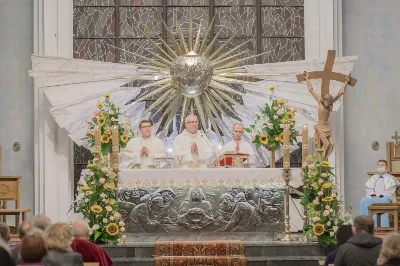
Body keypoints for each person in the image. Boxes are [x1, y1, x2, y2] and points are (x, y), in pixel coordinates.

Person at [359, 160, 399, 227]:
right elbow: (369, 189)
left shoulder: (391, 178)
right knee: (364, 200)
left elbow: (391, 191)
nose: (380, 166)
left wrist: (381, 196)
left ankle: (383, 226)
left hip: (384, 197)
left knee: (385, 200)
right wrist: (373, 195)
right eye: (378, 165)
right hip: (374, 197)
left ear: (386, 167)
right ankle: (364, 225)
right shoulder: (373, 177)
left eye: (382, 165)